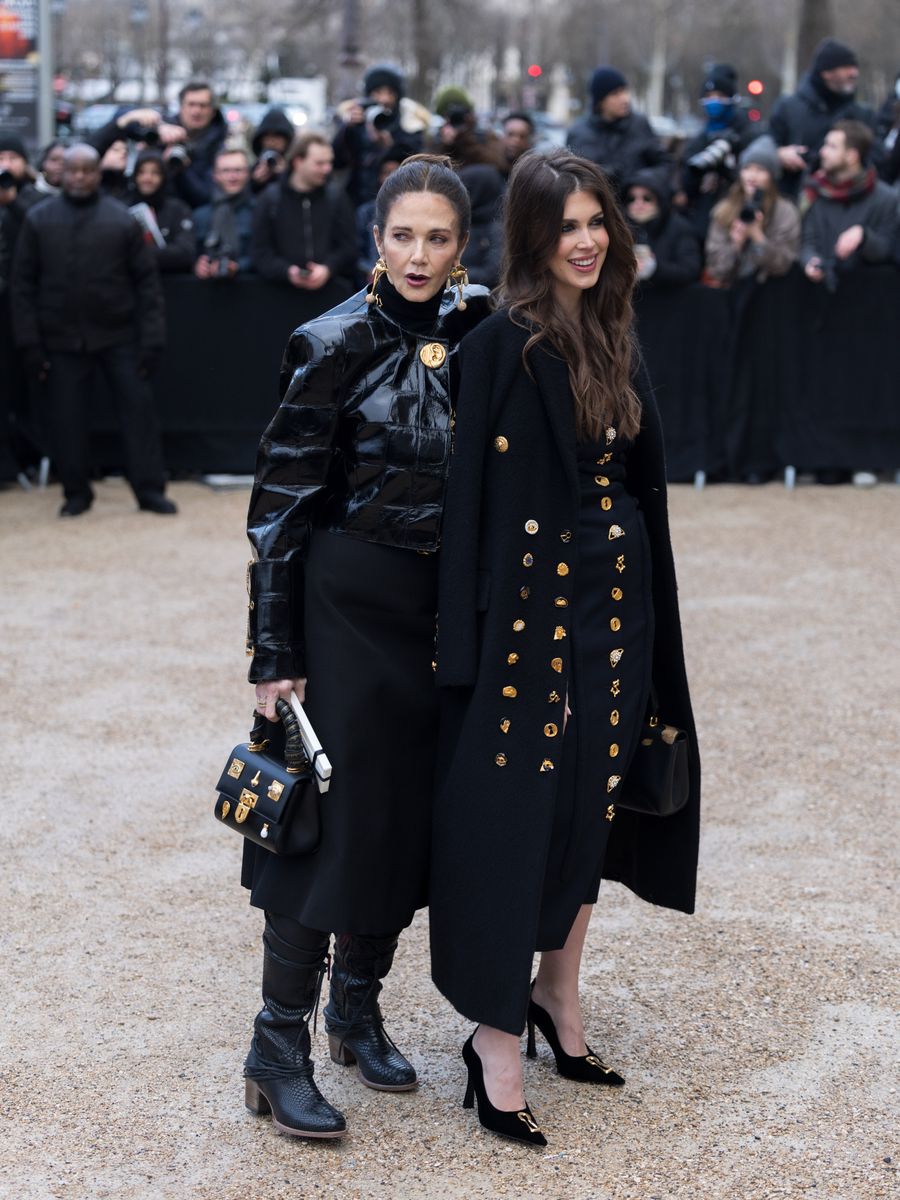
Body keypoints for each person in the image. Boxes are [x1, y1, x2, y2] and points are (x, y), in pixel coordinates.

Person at [430, 150, 700, 1147]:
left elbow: (639, 481)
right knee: (516, 818)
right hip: (531, 617)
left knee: (590, 803)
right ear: (532, 241)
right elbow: (468, 511)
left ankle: (558, 997)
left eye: (596, 222)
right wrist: (463, 648)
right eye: (564, 226)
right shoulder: (499, 343)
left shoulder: (615, 331)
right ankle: (494, 1043)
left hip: (618, 610)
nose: (584, 240)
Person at [241, 154, 490, 1140]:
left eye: (438, 237)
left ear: (463, 245)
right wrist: (273, 652)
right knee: (325, 823)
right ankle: (274, 1045)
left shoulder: (482, 341)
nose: (420, 254)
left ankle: (356, 1008)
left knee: (403, 816)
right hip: (344, 607)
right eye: (403, 235)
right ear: (374, 238)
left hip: (438, 612)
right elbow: (278, 513)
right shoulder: (329, 340)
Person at [11, 144, 175, 516]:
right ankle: (76, 493)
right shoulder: (39, 219)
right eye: (73, 171)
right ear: (61, 174)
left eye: (88, 171)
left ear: (99, 174)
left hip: (120, 337)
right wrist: (30, 344)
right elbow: (23, 288)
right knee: (66, 421)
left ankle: (149, 490)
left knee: (139, 414)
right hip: (60, 339)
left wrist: (152, 340)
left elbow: (147, 286)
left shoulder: (121, 220)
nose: (80, 178)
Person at [769, 39, 879, 201]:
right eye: (846, 68)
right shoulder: (788, 108)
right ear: (826, 73)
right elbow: (764, 143)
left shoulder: (863, 114)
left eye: (854, 68)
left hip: (849, 204)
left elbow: (876, 159)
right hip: (792, 199)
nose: (854, 73)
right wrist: (778, 154)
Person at [251, 131, 357, 297]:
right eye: (319, 163)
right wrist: (286, 272)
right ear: (298, 161)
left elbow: (349, 246)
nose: (327, 169)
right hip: (280, 296)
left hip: (329, 296)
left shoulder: (336, 197)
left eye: (329, 162)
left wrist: (328, 268)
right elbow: (260, 251)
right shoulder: (270, 199)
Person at [800, 120, 899, 290]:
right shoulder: (814, 190)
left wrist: (864, 237)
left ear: (852, 155)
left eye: (832, 147)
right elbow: (806, 240)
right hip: (817, 297)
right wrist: (810, 260)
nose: (823, 152)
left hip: (864, 300)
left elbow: (888, 250)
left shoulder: (886, 198)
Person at [704, 136, 801, 287]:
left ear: (772, 175)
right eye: (747, 168)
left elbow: (783, 265)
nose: (752, 176)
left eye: (760, 170)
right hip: (731, 293)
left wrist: (758, 238)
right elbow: (716, 269)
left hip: (770, 294)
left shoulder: (785, 212)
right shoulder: (724, 210)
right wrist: (735, 244)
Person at [333, 64, 430, 206]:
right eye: (377, 92)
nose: (384, 99)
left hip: (398, 203)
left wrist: (391, 148)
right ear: (368, 96)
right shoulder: (356, 123)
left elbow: (420, 166)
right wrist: (347, 128)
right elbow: (336, 161)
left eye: (390, 93)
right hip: (357, 202)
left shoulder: (410, 123)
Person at [680, 63, 755, 239]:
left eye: (720, 96)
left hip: (735, 219)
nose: (714, 101)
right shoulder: (699, 138)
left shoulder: (747, 133)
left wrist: (727, 168)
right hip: (702, 220)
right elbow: (687, 184)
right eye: (709, 96)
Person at [566, 66, 667, 194]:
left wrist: (641, 181)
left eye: (624, 91)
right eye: (615, 94)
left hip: (636, 208)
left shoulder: (639, 125)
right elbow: (573, 179)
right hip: (598, 208)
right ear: (600, 101)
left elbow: (664, 164)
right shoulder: (579, 133)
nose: (625, 99)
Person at [624, 167, 702, 288]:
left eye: (647, 198)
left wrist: (655, 268)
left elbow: (691, 270)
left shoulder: (680, 228)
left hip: (667, 300)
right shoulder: (620, 227)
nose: (638, 204)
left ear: (659, 199)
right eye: (631, 199)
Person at [126, 149, 195, 273]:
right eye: (141, 172)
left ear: (163, 177)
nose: (148, 178)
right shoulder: (123, 208)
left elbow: (185, 253)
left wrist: (137, 254)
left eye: (155, 173)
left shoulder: (178, 209)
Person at [193, 148, 256, 278]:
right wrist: (197, 266)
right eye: (225, 171)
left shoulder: (259, 212)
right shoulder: (199, 216)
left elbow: (266, 254)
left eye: (238, 170)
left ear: (248, 173)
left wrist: (239, 266)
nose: (232, 177)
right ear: (215, 176)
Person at [249, 106, 295, 193]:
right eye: (267, 137)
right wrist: (255, 182)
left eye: (277, 137)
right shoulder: (255, 168)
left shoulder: (295, 167)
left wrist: (286, 174)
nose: (272, 142)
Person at [500, 111, 535, 178]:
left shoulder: (533, 175)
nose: (516, 141)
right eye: (510, 134)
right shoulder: (485, 170)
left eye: (522, 136)